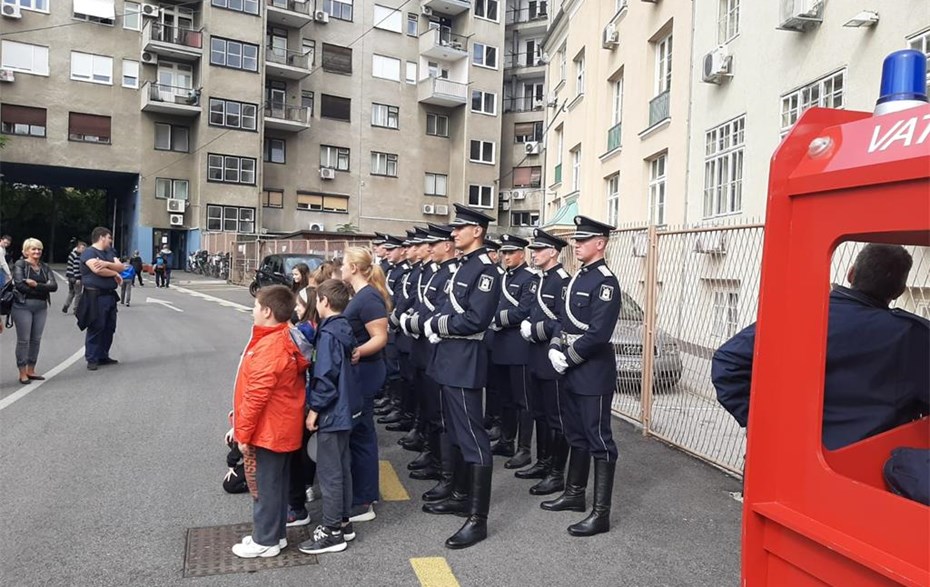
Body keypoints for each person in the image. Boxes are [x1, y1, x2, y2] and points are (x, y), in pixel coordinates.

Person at [713, 243, 930, 451]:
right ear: (900, 291)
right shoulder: (914, 335)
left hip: (788, 454)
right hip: (868, 466)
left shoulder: (798, 314)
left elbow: (728, 362)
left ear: (851, 273)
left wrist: (762, 423)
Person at [423, 204, 500, 549]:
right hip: (449, 359)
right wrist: (436, 321)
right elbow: (446, 304)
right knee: (454, 432)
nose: (453, 233)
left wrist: (439, 325)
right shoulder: (462, 267)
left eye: (460, 228)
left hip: (466, 360)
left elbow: (476, 319)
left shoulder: (485, 270)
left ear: (477, 232)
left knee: (473, 437)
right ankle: (459, 495)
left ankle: (477, 519)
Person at [544, 216, 622, 538]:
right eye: (576, 240)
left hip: (592, 372)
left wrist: (570, 357)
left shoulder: (605, 282)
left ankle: (600, 514)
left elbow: (599, 333)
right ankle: (575, 494)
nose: (576, 244)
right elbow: (563, 319)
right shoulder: (578, 278)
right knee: (575, 433)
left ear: (600, 243)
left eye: (583, 240)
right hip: (570, 369)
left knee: (599, 440)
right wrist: (553, 347)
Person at [231, 285, 311, 559]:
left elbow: (256, 396)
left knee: (265, 487)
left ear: (267, 311)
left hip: (270, 428)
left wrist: (242, 434)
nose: (253, 311)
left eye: (255, 306)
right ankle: (274, 535)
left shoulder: (270, 346)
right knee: (275, 485)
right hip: (279, 426)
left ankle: (264, 538)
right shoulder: (280, 339)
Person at [298, 279, 360, 555]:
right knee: (342, 467)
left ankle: (332, 530)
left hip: (333, 411)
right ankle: (344, 521)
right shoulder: (344, 328)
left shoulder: (328, 335)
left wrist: (314, 410)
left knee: (330, 472)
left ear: (323, 301)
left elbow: (325, 378)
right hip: (347, 409)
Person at [520, 229, 572, 494]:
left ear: (553, 252)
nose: (534, 254)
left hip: (552, 355)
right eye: (533, 250)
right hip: (534, 355)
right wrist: (528, 322)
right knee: (538, 412)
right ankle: (542, 461)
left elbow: (564, 320)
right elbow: (531, 309)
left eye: (539, 250)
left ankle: (556, 472)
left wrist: (537, 329)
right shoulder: (538, 279)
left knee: (556, 417)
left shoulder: (563, 281)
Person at [342, 246, 391, 523]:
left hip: (366, 372)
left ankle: (363, 499)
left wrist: (358, 351)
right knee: (359, 434)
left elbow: (379, 337)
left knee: (361, 435)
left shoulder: (369, 297)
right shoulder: (359, 295)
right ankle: (361, 493)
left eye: (344, 264)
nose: (340, 268)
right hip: (359, 371)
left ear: (354, 268)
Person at [489, 234, 538, 470]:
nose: (505, 257)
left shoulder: (530, 278)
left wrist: (496, 319)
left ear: (522, 253)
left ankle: (524, 449)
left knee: (523, 401)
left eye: (510, 253)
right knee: (504, 398)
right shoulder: (502, 277)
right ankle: (506, 440)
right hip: (500, 345)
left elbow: (523, 311)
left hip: (518, 347)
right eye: (503, 252)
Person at [11, 238, 58, 385]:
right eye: (33, 249)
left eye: (39, 249)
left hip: (41, 306)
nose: (37, 251)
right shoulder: (20, 265)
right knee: (24, 340)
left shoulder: (44, 267)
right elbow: (20, 285)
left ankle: (31, 369)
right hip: (22, 306)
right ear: (26, 251)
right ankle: (22, 371)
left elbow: (54, 286)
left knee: (36, 339)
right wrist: (43, 287)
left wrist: (35, 285)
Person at [78, 227, 124, 371]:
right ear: (102, 237)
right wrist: (114, 274)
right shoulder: (89, 252)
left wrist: (107, 264)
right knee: (96, 326)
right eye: (109, 238)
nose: (110, 241)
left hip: (109, 294)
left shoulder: (109, 252)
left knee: (109, 327)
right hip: (95, 295)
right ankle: (92, 358)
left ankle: (103, 355)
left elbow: (120, 266)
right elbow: (97, 269)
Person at [63, 240, 86, 314]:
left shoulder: (71, 254)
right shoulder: (77, 256)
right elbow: (76, 267)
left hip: (70, 276)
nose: (83, 250)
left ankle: (66, 305)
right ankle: (76, 309)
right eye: (82, 248)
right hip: (75, 277)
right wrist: (78, 278)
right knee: (78, 294)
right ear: (78, 248)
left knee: (71, 292)